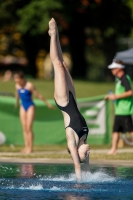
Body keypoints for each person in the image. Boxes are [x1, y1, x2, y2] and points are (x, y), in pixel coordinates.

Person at [48, 18, 90, 181]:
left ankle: (52, 35)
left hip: (64, 102)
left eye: (85, 153)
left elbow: (78, 165)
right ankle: (57, 33)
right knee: (64, 64)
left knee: (57, 64)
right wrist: (88, 174)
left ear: (78, 153)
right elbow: (86, 165)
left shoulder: (72, 141)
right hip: (73, 97)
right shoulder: (85, 137)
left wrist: (79, 183)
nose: (88, 152)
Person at [14, 71, 53, 154]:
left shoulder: (29, 85)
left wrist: (47, 103)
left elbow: (38, 95)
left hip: (30, 106)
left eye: (18, 81)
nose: (18, 83)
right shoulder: (17, 86)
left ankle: (30, 148)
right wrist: (16, 103)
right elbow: (17, 95)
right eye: (16, 81)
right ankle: (26, 146)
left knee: (29, 127)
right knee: (24, 127)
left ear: (22, 79)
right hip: (23, 106)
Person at [105, 61, 133, 155]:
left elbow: (129, 92)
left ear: (119, 68)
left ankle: (113, 149)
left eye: (113, 68)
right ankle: (113, 150)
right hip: (119, 110)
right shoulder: (118, 79)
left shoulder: (124, 78)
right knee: (115, 130)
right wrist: (110, 96)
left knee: (131, 131)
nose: (112, 70)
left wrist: (115, 97)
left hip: (125, 111)